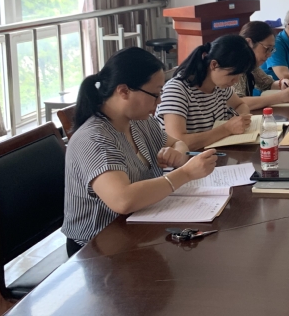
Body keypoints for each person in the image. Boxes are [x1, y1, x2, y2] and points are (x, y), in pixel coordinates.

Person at [63, 48, 218, 254]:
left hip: (139, 226)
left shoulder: (139, 121)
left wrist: (178, 152)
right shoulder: (93, 139)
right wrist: (186, 173)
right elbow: (123, 200)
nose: (159, 101)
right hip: (97, 247)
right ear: (124, 91)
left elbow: (177, 143)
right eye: (155, 94)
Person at [157, 35, 255, 150]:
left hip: (213, 154)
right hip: (187, 160)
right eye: (233, 74)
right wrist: (227, 129)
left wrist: (242, 118)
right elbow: (177, 141)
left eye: (240, 75)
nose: (236, 81)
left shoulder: (220, 87)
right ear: (214, 65)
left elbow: (240, 105)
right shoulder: (176, 90)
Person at [234, 21, 289, 109]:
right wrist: (280, 97)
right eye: (267, 49)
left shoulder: (250, 64)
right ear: (249, 43)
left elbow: (268, 84)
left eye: (271, 50)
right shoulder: (233, 65)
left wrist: (282, 83)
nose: (269, 55)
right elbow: (237, 103)